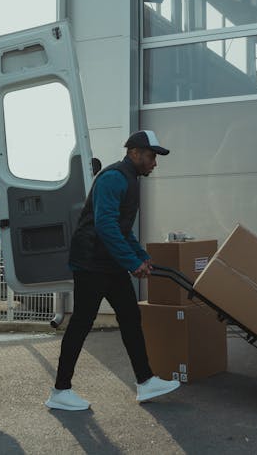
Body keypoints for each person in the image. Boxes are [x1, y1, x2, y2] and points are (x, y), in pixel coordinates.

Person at [45, 130, 180, 411]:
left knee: (131, 317)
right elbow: (105, 225)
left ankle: (146, 381)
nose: (155, 162)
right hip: (91, 264)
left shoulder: (130, 179)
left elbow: (120, 229)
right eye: (152, 156)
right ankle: (60, 391)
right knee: (81, 324)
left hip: (108, 263)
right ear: (134, 153)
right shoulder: (113, 178)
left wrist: (141, 256)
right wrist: (133, 263)